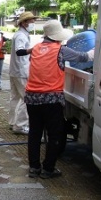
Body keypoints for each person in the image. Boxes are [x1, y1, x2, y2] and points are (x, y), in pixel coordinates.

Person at [25, 20, 94, 179]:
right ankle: (48, 169)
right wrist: (100, 47)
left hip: (31, 98)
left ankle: (34, 168)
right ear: (57, 36)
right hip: (51, 99)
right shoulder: (60, 50)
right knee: (55, 134)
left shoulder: (35, 48)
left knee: (34, 133)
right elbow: (85, 57)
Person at [8, 11, 38, 135]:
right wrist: (33, 50)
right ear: (24, 22)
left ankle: (12, 122)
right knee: (27, 99)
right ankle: (20, 125)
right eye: (31, 21)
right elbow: (19, 52)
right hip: (21, 71)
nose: (33, 23)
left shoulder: (20, 34)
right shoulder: (21, 36)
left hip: (15, 70)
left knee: (15, 97)